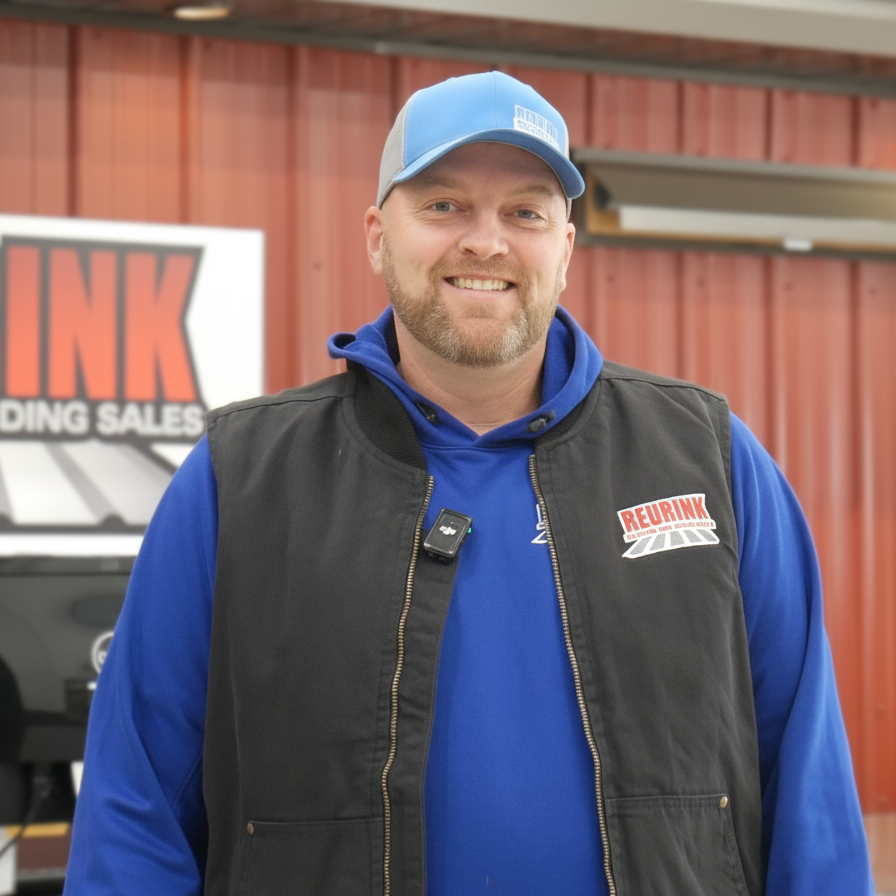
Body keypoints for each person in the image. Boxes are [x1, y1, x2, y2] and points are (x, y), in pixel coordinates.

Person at [64, 71, 873, 896]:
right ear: (379, 235)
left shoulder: (711, 460)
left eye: (525, 211)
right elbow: (137, 801)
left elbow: (805, 782)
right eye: (444, 205)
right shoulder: (239, 479)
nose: (485, 243)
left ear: (564, 246)